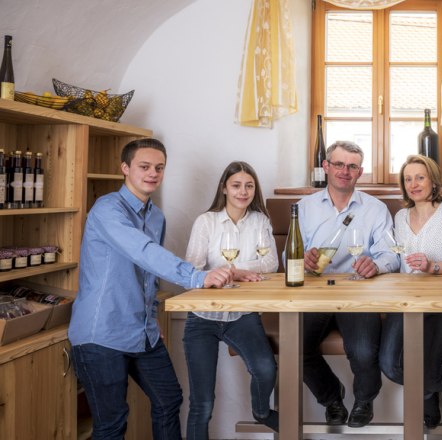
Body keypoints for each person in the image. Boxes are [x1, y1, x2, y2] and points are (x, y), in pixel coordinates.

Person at [68, 138, 235, 440]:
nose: (153, 173)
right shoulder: (107, 210)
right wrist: (197, 277)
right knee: (111, 425)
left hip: (142, 331)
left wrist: (151, 312)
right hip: (101, 335)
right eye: (144, 166)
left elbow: (148, 274)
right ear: (125, 168)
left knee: (168, 400)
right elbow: (143, 251)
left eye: (159, 168)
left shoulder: (156, 216)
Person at [293, 140, 399, 427]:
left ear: (360, 172)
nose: (345, 171)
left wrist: (375, 265)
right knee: (294, 347)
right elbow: (290, 252)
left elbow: (391, 253)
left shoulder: (376, 209)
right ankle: (332, 398)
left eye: (352, 166)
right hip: (315, 291)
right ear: (326, 167)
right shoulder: (303, 207)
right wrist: (302, 261)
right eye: (338, 164)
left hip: (358, 292)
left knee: (364, 351)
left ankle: (365, 400)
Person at [183, 161, 279, 437]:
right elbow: (193, 267)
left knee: (266, 369)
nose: (243, 191)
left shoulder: (260, 221)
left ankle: (261, 412)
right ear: (224, 188)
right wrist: (242, 270)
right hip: (202, 317)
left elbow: (271, 263)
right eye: (236, 185)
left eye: (249, 186)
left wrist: (232, 271)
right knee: (202, 404)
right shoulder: (207, 221)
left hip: (242, 315)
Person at [378, 154, 442, 428]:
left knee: (426, 374)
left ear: (432, 180)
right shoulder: (401, 215)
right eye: (407, 179)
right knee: (391, 366)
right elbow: (396, 261)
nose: (413, 184)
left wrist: (432, 266)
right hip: (406, 303)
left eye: (420, 177)